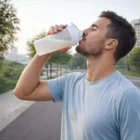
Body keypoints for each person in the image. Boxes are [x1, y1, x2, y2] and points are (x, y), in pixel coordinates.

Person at [14, 11, 140, 140]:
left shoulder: (128, 96)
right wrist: (48, 47)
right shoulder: (71, 81)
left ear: (110, 43)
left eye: (93, 29)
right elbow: (23, 92)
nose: (84, 31)